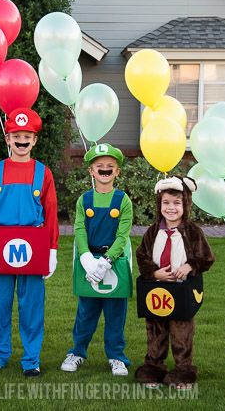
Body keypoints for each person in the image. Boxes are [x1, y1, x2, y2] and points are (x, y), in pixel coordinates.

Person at [0, 107, 59, 377]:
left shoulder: (43, 173)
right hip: (0, 246)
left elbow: (51, 213)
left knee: (31, 306)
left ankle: (31, 359)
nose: (21, 140)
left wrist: (51, 251)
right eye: (16, 135)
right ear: (8, 139)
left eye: (27, 135)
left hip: (33, 246)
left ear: (34, 140)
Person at [134, 176, 215, 389]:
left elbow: (207, 257)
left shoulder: (192, 232)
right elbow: (142, 256)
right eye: (166, 203)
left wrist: (190, 266)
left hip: (181, 292)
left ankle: (183, 370)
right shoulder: (153, 232)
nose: (171, 208)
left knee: (181, 333)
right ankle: (153, 367)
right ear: (159, 205)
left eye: (176, 203)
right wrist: (154, 273)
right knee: (155, 331)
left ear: (186, 204)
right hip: (157, 291)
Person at [60, 143, 133, 376]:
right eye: (99, 166)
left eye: (109, 166)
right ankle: (77, 352)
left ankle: (116, 356)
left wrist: (107, 260)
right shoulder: (85, 200)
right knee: (86, 312)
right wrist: (87, 258)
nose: (104, 169)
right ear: (91, 171)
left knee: (115, 314)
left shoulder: (123, 201)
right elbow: (80, 229)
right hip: (89, 261)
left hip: (114, 262)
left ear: (117, 171)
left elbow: (123, 235)